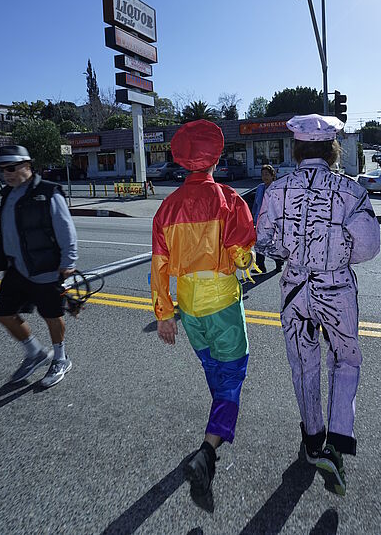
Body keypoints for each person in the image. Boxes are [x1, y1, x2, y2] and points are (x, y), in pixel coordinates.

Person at [255, 114, 380, 497]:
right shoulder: (351, 191)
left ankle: (312, 440)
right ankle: (339, 438)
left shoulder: (276, 190)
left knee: (303, 365)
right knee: (345, 360)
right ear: (331, 150)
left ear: (295, 149)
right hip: (335, 288)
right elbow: (369, 245)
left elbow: (263, 240)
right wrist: (338, 253)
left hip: (294, 290)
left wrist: (292, 253)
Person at [151, 120, 256, 511]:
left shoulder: (167, 207)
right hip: (223, 304)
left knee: (213, 368)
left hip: (189, 309)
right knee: (233, 376)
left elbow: (158, 265)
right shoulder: (229, 199)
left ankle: (216, 425)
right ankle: (208, 451)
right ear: (215, 158)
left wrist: (164, 314)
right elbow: (243, 255)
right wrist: (244, 257)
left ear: (182, 162)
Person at [0, 145, 77, 388]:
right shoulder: (8, 194)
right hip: (17, 269)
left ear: (27, 166)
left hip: (46, 268)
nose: (6, 174)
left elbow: (66, 231)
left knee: (52, 316)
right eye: (1, 170)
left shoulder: (48, 192)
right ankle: (35, 353)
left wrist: (68, 263)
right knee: (3, 313)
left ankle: (61, 359)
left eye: (11, 168)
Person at [251, 164, 283, 273]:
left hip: (272, 221)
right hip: (260, 219)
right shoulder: (260, 187)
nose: (264, 177)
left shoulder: (277, 188)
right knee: (259, 243)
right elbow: (256, 204)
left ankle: (279, 263)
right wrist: (254, 219)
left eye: (267, 174)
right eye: (262, 174)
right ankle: (261, 266)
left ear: (272, 175)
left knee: (271, 244)